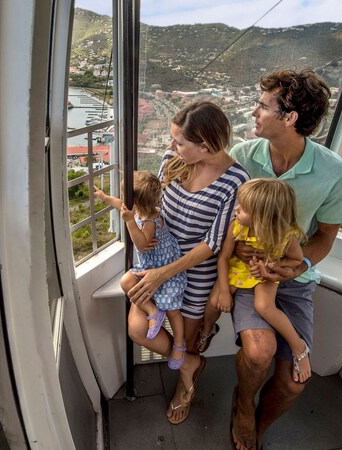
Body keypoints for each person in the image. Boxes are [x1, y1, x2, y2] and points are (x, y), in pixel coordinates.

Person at [225, 69, 342, 450]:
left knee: (294, 382)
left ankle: (261, 425)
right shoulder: (242, 156)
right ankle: (244, 406)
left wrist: (297, 266)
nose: (254, 112)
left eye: (263, 106)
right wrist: (239, 249)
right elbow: (224, 219)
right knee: (258, 351)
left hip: (293, 280)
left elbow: (324, 237)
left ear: (290, 117)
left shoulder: (334, 173)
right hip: (250, 275)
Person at [125, 100, 249, 425]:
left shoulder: (235, 181)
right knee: (139, 329)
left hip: (194, 274)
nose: (171, 146)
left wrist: (162, 274)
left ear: (205, 146)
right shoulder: (174, 159)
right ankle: (190, 363)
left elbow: (213, 243)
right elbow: (153, 205)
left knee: (189, 339)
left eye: (179, 141)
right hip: (157, 259)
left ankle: (184, 385)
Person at [199, 178, 312, 384]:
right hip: (238, 268)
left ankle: (298, 346)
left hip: (264, 274)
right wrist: (225, 291)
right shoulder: (237, 227)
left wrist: (273, 266)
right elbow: (224, 257)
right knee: (215, 300)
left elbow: (296, 259)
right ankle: (207, 329)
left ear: (263, 217)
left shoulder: (285, 236)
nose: (236, 209)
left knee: (264, 307)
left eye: (243, 208)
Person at [93, 172, 188, 369]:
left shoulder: (150, 221)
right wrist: (104, 197)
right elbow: (121, 204)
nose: (125, 203)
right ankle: (152, 311)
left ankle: (179, 343)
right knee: (126, 282)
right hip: (148, 267)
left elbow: (142, 244)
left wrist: (129, 222)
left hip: (164, 269)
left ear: (137, 202)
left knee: (172, 309)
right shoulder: (138, 210)